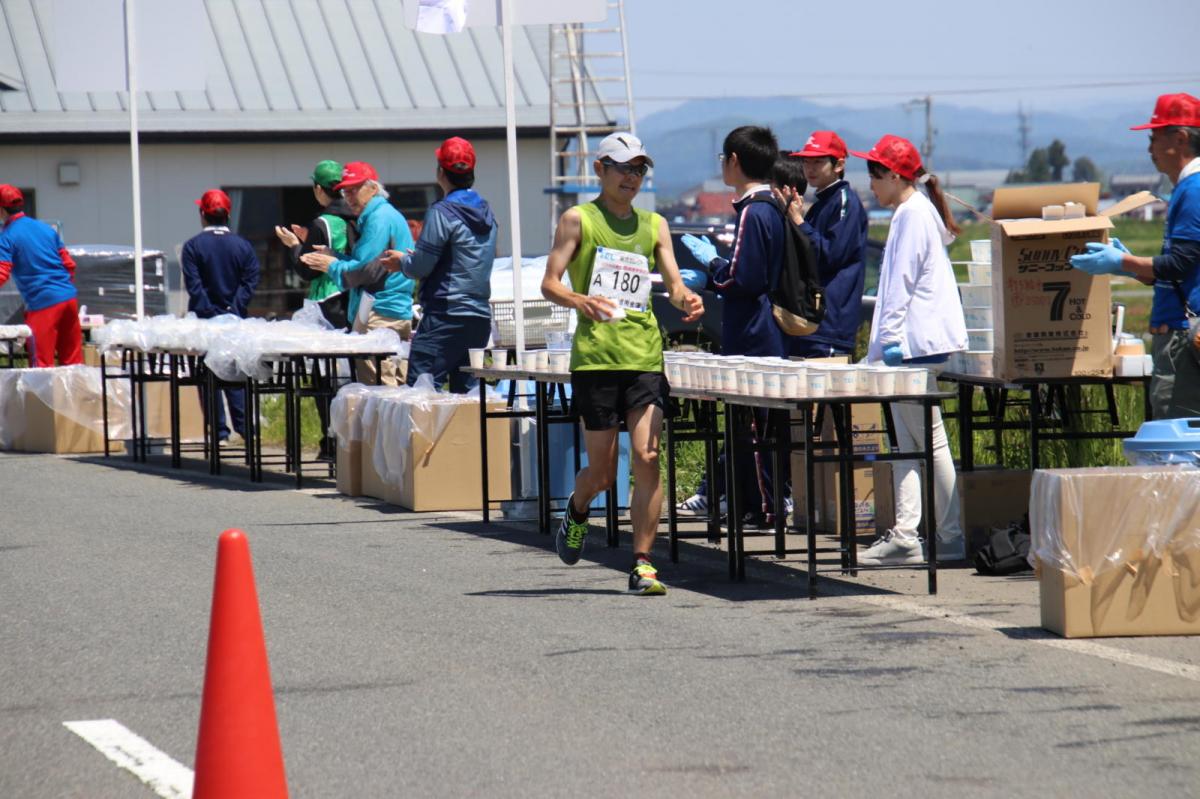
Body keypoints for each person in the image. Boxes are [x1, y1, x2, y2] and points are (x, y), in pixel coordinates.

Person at [541, 132, 703, 595]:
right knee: (603, 474)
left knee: (649, 456)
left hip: (644, 355)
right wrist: (579, 299)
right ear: (601, 170)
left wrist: (686, 297)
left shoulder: (654, 225)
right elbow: (549, 283)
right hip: (596, 360)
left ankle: (643, 563)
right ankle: (577, 507)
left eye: (639, 169)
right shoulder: (579, 220)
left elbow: (671, 283)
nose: (632, 177)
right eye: (623, 168)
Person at [851, 135, 967, 564]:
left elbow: (899, 282)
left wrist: (891, 339)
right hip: (915, 344)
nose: (872, 185)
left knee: (926, 443)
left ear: (897, 175)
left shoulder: (911, 215)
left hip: (913, 346)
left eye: (876, 175)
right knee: (908, 443)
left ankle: (948, 534)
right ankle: (908, 533)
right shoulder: (915, 211)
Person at [679, 126, 787, 526]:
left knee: (754, 431)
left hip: (753, 334)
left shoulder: (753, 211)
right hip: (763, 331)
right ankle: (750, 504)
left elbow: (743, 278)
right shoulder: (769, 207)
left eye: (723, 159)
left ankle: (764, 507)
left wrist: (711, 269)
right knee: (751, 428)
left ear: (735, 161)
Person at [1071, 92, 1200, 419]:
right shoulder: (1185, 188)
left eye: (1154, 137)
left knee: (1177, 439)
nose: (1149, 148)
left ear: (1180, 138)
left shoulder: (1193, 189)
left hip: (1183, 335)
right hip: (1180, 329)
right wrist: (1135, 270)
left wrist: (1121, 263)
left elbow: (1180, 264)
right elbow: (1177, 269)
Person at [380, 137, 498, 393]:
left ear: (440, 173)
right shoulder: (488, 213)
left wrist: (402, 261)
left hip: (446, 315)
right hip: (478, 317)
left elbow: (420, 267)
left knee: (422, 393)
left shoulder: (442, 212)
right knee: (467, 398)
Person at [301, 161, 415, 386]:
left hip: (380, 315)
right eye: (345, 191)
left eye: (354, 189)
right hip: (391, 312)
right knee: (392, 388)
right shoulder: (381, 215)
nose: (349, 197)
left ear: (373, 188)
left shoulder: (378, 219)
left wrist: (331, 265)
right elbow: (367, 263)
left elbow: (364, 271)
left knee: (380, 391)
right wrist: (333, 256)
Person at [181, 189, 261, 443]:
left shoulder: (193, 247)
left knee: (207, 376)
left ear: (202, 214)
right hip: (235, 321)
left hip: (205, 322)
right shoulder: (243, 246)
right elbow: (250, 282)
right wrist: (233, 310)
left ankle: (218, 432)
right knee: (235, 375)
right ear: (228, 214)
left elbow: (194, 286)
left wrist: (211, 313)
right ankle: (246, 430)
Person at [783, 131, 868, 358]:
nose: (810, 168)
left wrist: (800, 221)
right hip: (812, 320)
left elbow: (830, 254)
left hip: (831, 324)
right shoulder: (823, 201)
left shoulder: (843, 201)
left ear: (839, 164)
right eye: (806, 161)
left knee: (824, 391)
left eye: (818, 162)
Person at [0, 185, 82, 367]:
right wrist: (64, 288)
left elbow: (2, 272)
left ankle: (42, 397)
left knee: (41, 365)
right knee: (73, 363)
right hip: (68, 298)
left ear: (1, 209)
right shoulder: (46, 230)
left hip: (42, 302)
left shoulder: (7, 236)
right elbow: (69, 264)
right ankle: (77, 395)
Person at [274, 159, 357, 307]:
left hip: (328, 298)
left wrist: (294, 245)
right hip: (354, 294)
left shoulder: (321, 223)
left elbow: (307, 270)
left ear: (318, 189)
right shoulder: (356, 216)